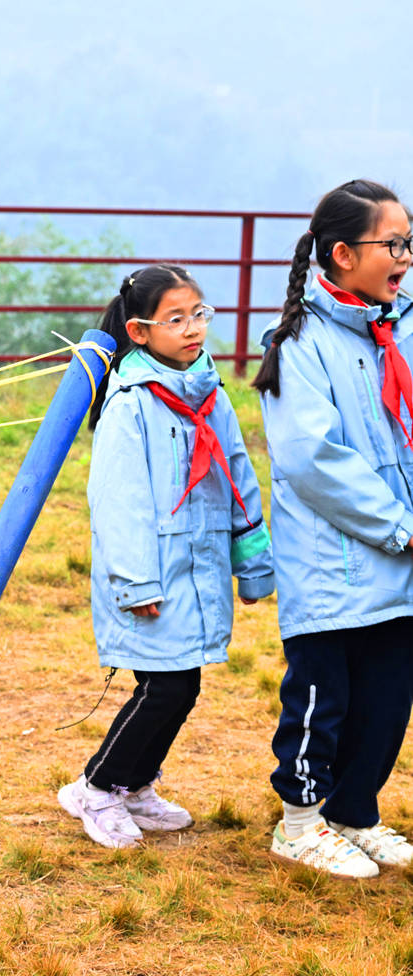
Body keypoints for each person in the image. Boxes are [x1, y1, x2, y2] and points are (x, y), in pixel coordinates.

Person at [57, 265, 272, 849]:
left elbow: (238, 477)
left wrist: (252, 563)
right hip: (151, 576)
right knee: (164, 689)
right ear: (140, 331)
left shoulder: (208, 391)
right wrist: (136, 585)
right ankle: (96, 788)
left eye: (199, 314)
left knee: (185, 686)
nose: (192, 328)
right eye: (175, 319)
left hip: (197, 567)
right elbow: (117, 503)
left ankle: (136, 783)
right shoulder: (130, 405)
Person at [253, 179, 413, 879]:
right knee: (324, 699)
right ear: (343, 254)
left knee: (387, 696)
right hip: (337, 560)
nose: (405, 256)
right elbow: (313, 461)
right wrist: (400, 527)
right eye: (393, 244)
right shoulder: (299, 344)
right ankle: (300, 822)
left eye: (409, 242)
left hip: (400, 552)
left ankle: (354, 811)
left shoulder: (397, 330)